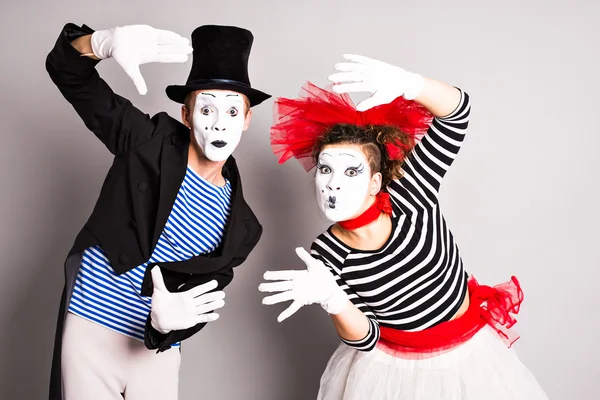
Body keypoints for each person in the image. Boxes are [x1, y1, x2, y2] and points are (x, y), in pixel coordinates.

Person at [259, 54, 548, 399]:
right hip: (390, 373)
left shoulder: (410, 194)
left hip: (469, 357)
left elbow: (458, 113)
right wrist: (332, 299)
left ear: (375, 181)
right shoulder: (326, 253)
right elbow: (365, 339)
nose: (333, 184)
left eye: (351, 171)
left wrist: (412, 85)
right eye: (325, 170)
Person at [46, 22, 270, 400]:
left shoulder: (243, 227)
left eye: (233, 111)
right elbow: (67, 73)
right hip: (91, 331)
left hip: (155, 352)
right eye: (207, 108)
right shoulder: (147, 142)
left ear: (246, 120)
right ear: (186, 115)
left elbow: (198, 303)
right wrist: (99, 43)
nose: (219, 123)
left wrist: (170, 328)